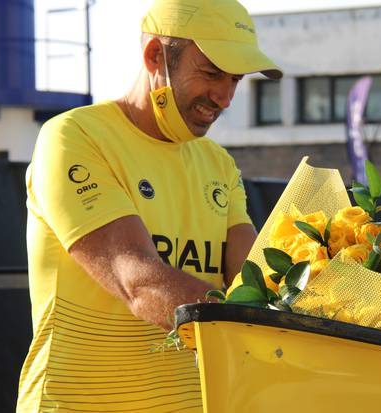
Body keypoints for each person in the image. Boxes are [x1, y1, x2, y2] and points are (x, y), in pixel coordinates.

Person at [16, 0, 282, 411]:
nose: (225, 98)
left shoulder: (218, 163)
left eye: (235, 79)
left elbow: (256, 282)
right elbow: (137, 281)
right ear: (155, 55)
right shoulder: (74, 137)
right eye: (211, 73)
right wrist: (258, 324)